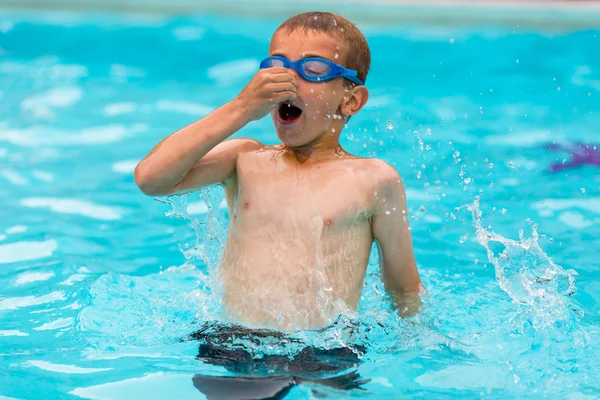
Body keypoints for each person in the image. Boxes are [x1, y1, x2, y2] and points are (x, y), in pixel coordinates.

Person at [134, 11, 424, 334]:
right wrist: (241, 107)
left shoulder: (373, 180)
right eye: (276, 68)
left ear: (352, 101)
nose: (286, 82)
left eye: (313, 70)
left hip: (326, 350)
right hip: (233, 341)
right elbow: (150, 177)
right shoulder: (245, 160)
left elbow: (404, 291)